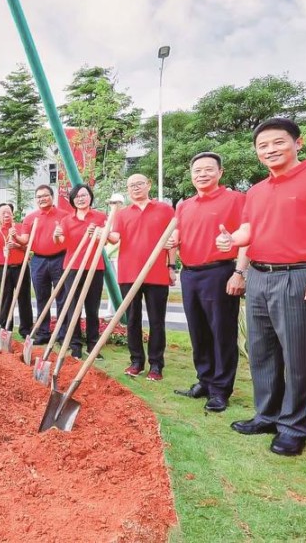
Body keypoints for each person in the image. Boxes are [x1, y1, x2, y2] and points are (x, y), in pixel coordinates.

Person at [217, 117, 306, 456]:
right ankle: (266, 415)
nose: (270, 150)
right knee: (261, 352)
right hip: (260, 275)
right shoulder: (257, 190)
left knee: (297, 357)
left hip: (301, 276)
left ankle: (294, 427)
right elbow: (249, 232)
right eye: (262, 146)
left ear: (298, 143)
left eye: (278, 142)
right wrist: (230, 239)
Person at [166, 152, 247, 412]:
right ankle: (205, 380)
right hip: (190, 273)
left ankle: (221, 389)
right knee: (198, 331)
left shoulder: (236, 199)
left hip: (219, 272)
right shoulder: (184, 205)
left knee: (221, 332)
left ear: (220, 172)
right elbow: (179, 233)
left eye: (208, 170)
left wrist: (239, 273)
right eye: (197, 171)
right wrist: (173, 244)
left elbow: (248, 235)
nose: (202, 174)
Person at [108, 174, 175, 381]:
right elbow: (114, 238)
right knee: (133, 320)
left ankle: (156, 365)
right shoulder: (122, 213)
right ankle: (136, 361)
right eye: (131, 186)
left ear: (149, 185)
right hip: (129, 273)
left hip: (156, 273)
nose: (135, 188)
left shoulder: (164, 209)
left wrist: (171, 266)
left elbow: (172, 240)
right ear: (127, 190)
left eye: (139, 184)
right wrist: (103, 231)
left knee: (157, 321)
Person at [54, 184, 107, 359]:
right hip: (72, 267)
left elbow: (107, 241)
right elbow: (61, 243)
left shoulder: (100, 217)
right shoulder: (67, 220)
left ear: (90, 197)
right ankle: (75, 344)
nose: (81, 198)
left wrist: (99, 233)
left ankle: (93, 344)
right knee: (73, 307)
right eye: (77, 196)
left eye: (84, 195)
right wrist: (56, 235)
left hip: (94, 267)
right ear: (72, 200)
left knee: (93, 308)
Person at [15, 185, 69, 346]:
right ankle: (43, 332)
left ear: (52, 197)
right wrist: (15, 237)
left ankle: (62, 333)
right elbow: (24, 240)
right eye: (38, 197)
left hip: (60, 259)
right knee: (41, 297)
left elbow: (69, 238)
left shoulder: (64, 216)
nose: (42, 199)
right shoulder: (30, 218)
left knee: (62, 297)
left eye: (45, 196)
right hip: (38, 260)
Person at [0, 202, 32, 338]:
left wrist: (17, 243)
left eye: (9, 213)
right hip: (4, 268)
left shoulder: (19, 227)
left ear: (13, 214)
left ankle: (26, 330)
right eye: (3, 213)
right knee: (5, 298)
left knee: (24, 297)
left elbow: (27, 247)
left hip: (20, 268)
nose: (6, 215)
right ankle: (5, 328)